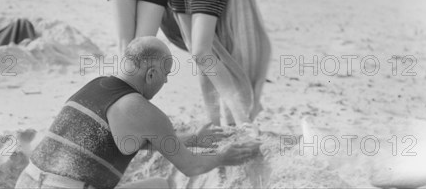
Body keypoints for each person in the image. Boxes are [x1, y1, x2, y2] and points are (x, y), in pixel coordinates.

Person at [14, 36, 260, 189]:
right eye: (166, 75)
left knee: (159, 186)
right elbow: (192, 167)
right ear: (151, 74)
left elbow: (127, 141)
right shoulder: (141, 109)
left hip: (27, 182)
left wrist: (192, 140)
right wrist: (224, 157)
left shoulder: (95, 86)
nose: (166, 83)